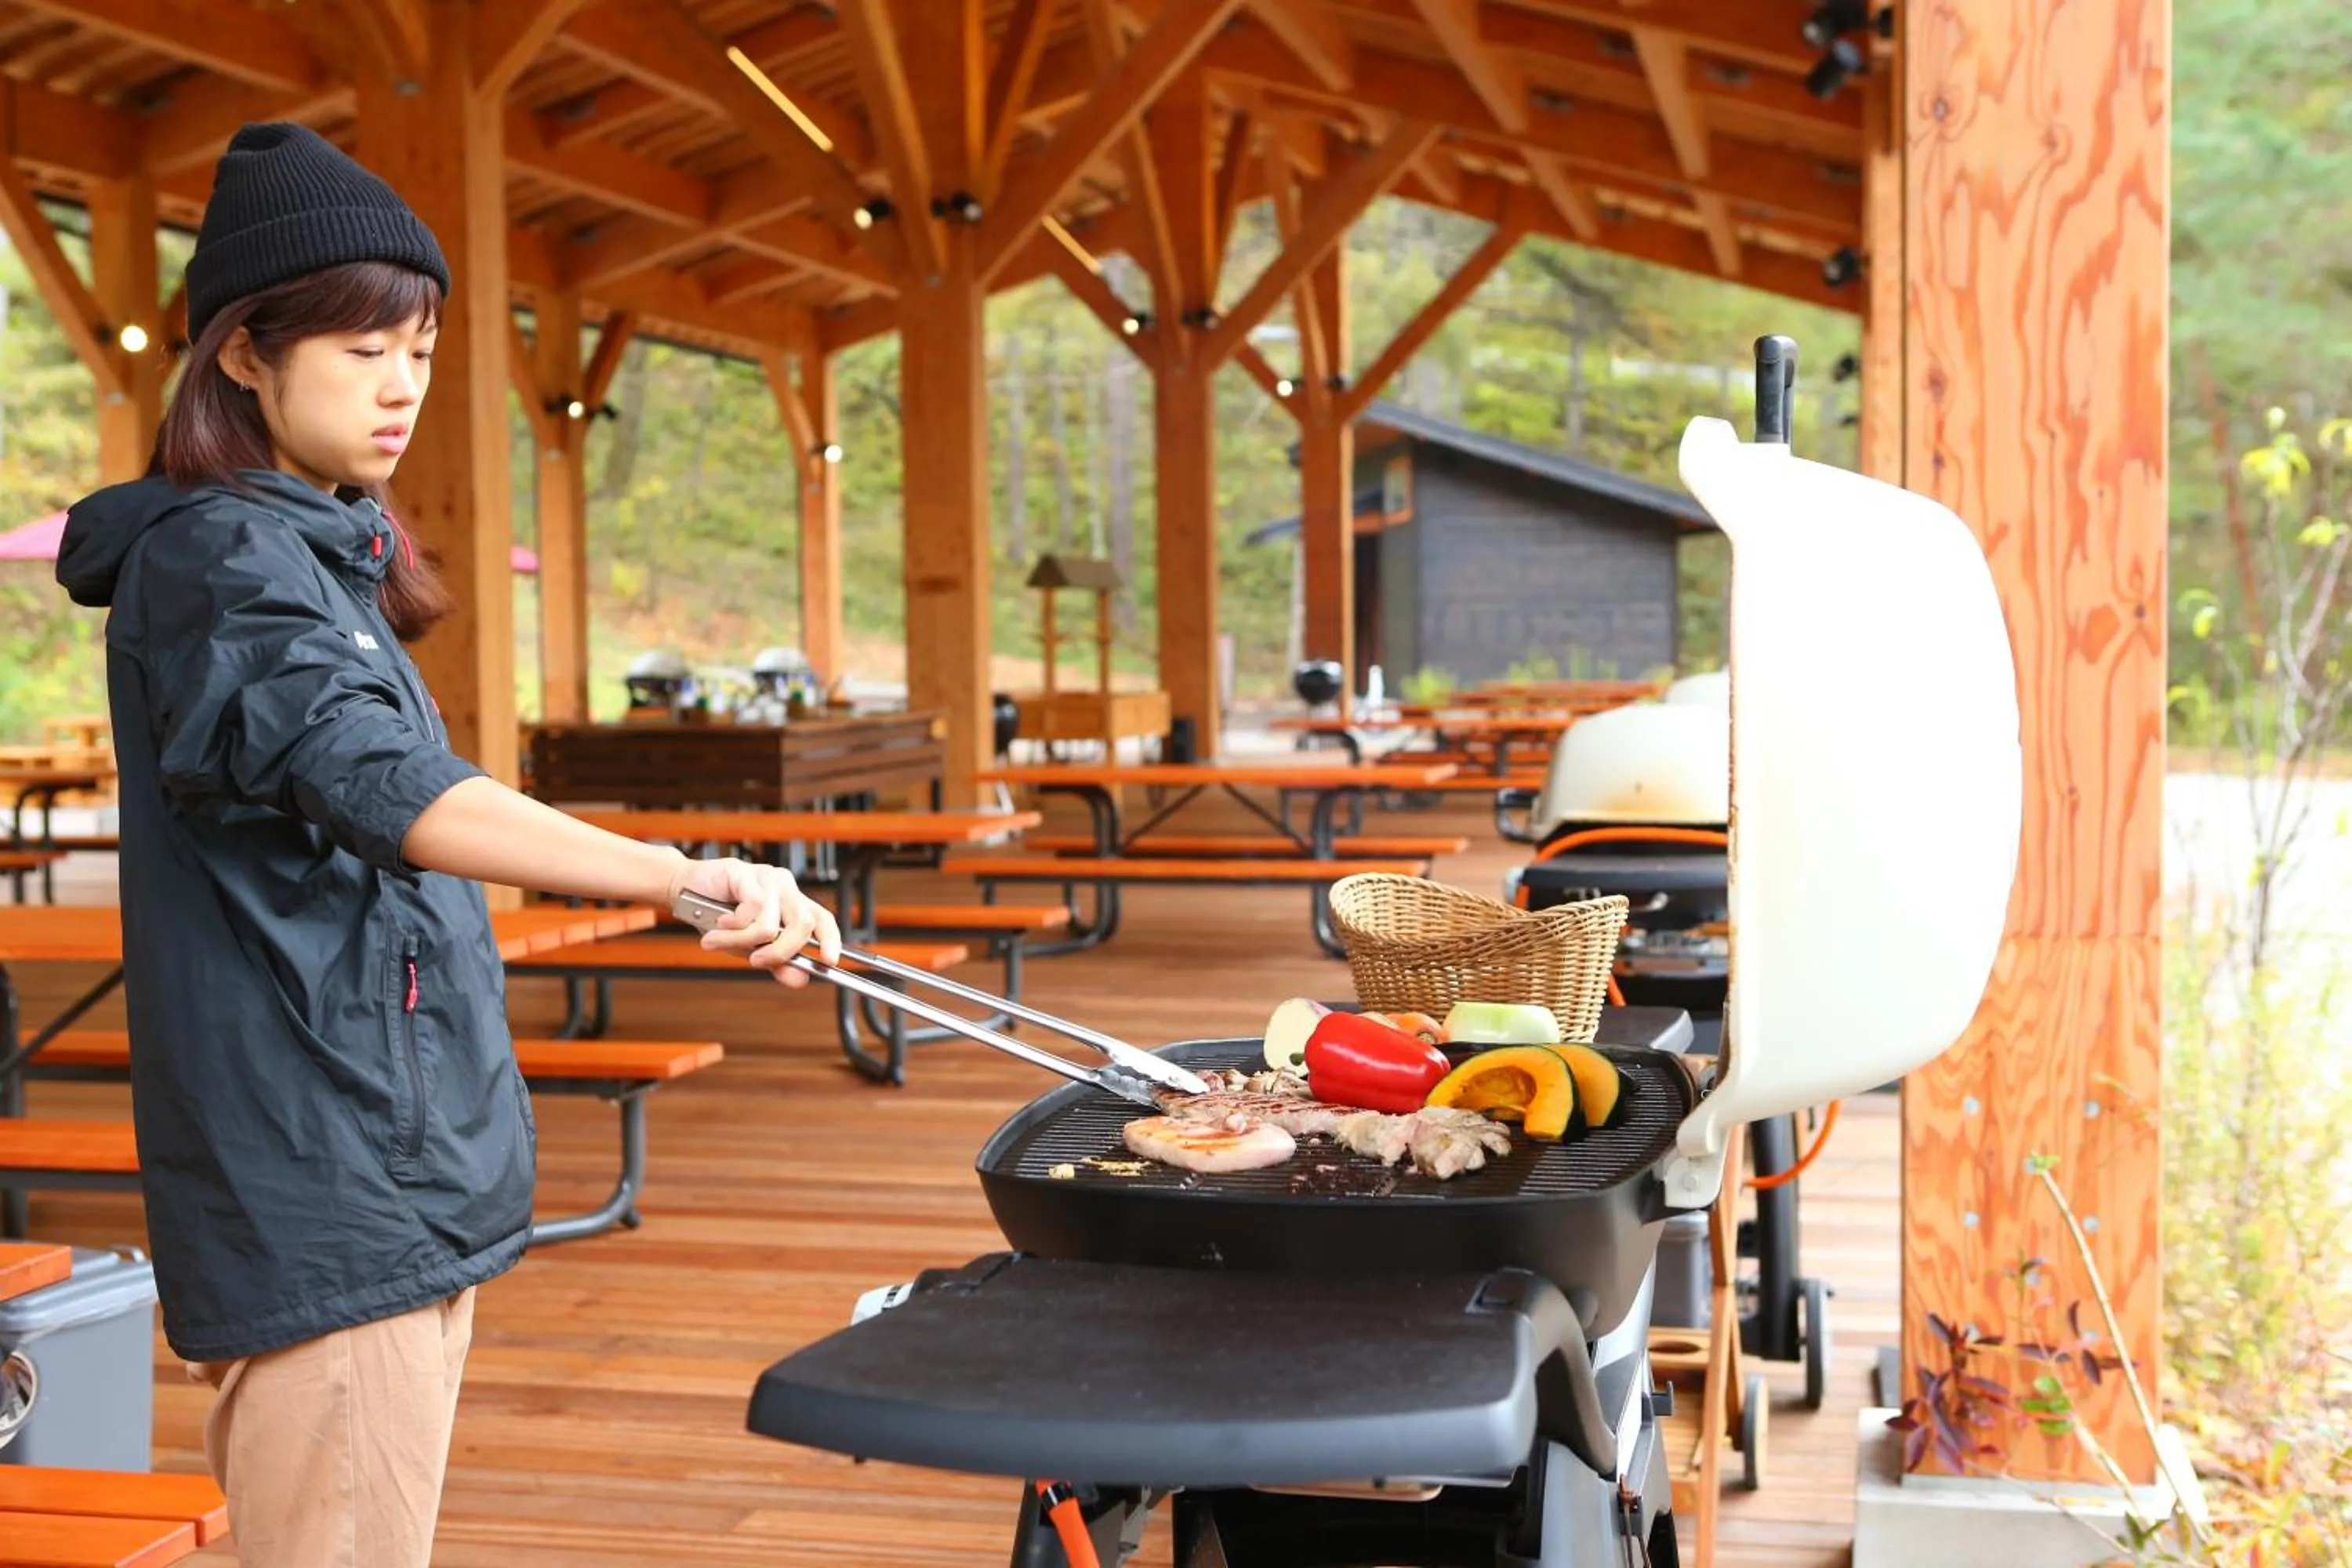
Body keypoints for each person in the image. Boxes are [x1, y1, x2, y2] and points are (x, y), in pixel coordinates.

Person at [54, 122, 841, 1567]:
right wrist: (681, 877)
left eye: (417, 342)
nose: (403, 383)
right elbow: (389, 785)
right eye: (361, 349)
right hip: (322, 1177)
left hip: (383, 1158)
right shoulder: (221, 557)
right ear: (243, 353)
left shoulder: (312, 546)